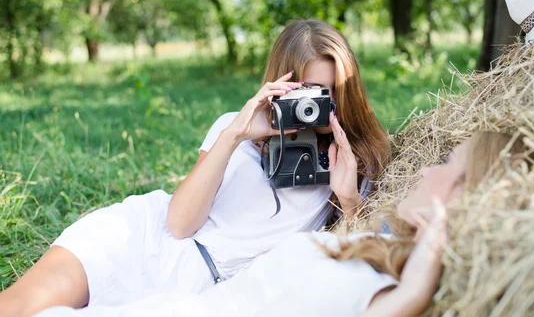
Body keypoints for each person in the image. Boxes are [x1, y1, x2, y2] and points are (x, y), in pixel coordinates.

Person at [0, 20, 390, 317]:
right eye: (305, 93)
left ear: (347, 91)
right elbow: (180, 225)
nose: (315, 109)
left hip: (207, 289)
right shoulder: (233, 128)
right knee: (16, 308)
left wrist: (349, 199)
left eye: (328, 94)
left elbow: (349, 262)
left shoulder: (354, 160)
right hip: (142, 240)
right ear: (280, 84)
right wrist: (236, 134)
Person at [35, 131, 528, 317]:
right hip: (166, 280)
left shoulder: (401, 282)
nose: (425, 169)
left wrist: (432, 239)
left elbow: (399, 303)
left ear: (466, 196)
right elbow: (180, 223)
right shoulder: (379, 247)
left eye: (447, 164)